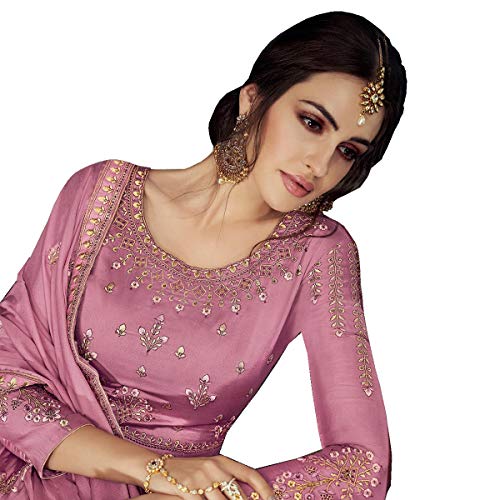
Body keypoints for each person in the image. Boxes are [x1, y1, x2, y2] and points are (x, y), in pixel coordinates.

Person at [0, 10, 407, 500]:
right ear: (254, 99)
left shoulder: (317, 255)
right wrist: (159, 470)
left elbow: (363, 465)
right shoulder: (99, 196)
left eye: (348, 151)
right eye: (311, 122)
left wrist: (210, 495)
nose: (320, 164)